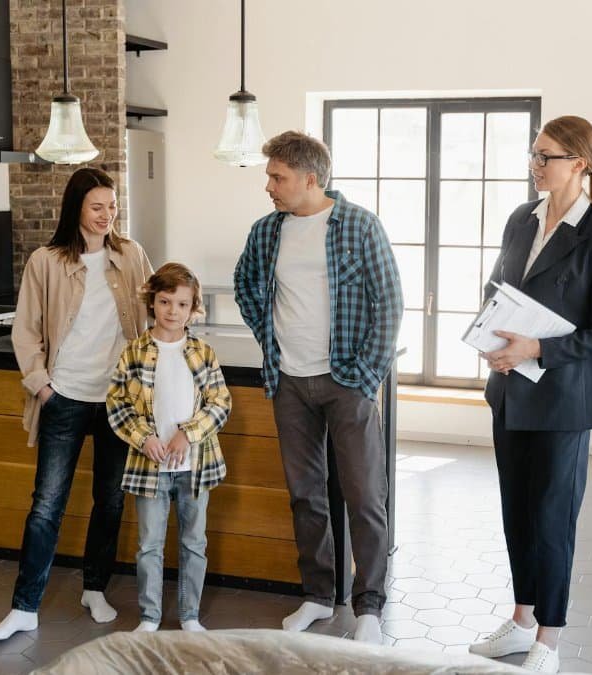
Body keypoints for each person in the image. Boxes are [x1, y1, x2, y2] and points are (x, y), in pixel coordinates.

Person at [468, 116, 592, 673]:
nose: (535, 165)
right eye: (534, 154)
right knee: (516, 512)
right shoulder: (522, 218)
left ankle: (550, 636)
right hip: (510, 393)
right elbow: (499, 289)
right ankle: (521, 622)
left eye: (547, 156)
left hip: (563, 402)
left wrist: (536, 351)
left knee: (551, 519)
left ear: (581, 163)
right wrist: (491, 336)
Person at [233, 131, 403, 644]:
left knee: (363, 495)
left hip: (346, 383)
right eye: (269, 176)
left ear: (310, 178)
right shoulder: (267, 232)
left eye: (277, 177)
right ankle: (317, 595)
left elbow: (390, 303)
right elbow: (245, 284)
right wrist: (271, 340)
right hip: (289, 383)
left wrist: (367, 375)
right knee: (306, 496)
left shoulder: (358, 225)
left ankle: (368, 604)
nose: (269, 186)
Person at [0, 167, 156, 641]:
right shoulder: (47, 261)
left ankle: (94, 588)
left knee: (110, 499)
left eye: (112, 205)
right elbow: (26, 329)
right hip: (65, 396)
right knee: (46, 505)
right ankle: (24, 607)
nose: (107, 215)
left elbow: (152, 316)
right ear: (76, 208)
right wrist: (41, 385)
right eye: (97, 207)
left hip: (117, 401)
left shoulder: (132, 255)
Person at [106, 262, 232, 633]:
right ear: (152, 303)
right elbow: (117, 403)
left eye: (181, 304)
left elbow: (220, 403)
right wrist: (144, 438)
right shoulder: (135, 351)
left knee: (194, 543)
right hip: (150, 467)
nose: (172, 311)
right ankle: (149, 616)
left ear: (193, 309)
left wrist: (187, 434)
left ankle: (189, 615)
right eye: (165, 301)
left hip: (195, 466)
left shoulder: (203, 352)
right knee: (149, 545)